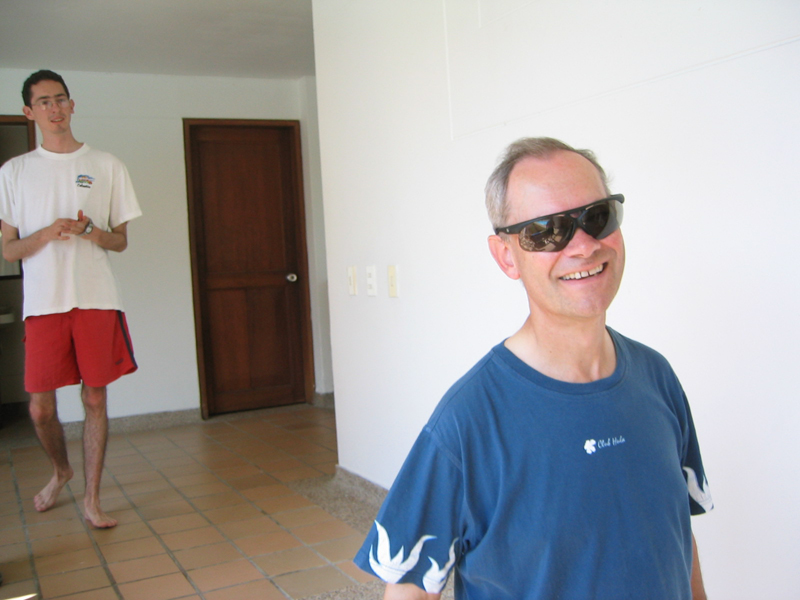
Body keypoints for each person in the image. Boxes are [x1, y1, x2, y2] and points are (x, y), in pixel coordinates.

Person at [354, 137, 713, 599]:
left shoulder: (657, 379)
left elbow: (678, 537)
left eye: (597, 217)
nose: (583, 246)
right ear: (507, 255)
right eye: (547, 230)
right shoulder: (467, 422)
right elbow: (410, 589)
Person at [0, 70, 142, 528]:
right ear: (29, 112)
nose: (54, 108)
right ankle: (61, 471)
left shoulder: (107, 164)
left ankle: (92, 499)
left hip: (96, 298)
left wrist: (91, 231)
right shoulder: (14, 172)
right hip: (44, 303)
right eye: (43, 101)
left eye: (60, 99)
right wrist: (45, 233)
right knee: (40, 408)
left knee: (95, 399)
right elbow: (9, 250)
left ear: (72, 104)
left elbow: (120, 241)